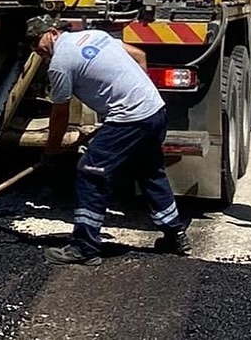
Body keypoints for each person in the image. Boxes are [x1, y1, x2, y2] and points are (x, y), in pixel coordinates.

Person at [26, 15, 190, 266]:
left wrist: (51, 153)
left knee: (90, 173)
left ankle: (85, 248)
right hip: (155, 110)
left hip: (130, 119)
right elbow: (139, 56)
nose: (36, 49)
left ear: (53, 32)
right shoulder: (95, 35)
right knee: (150, 171)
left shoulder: (59, 63)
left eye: (37, 41)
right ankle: (175, 234)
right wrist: (136, 94)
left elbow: (60, 114)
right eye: (31, 45)